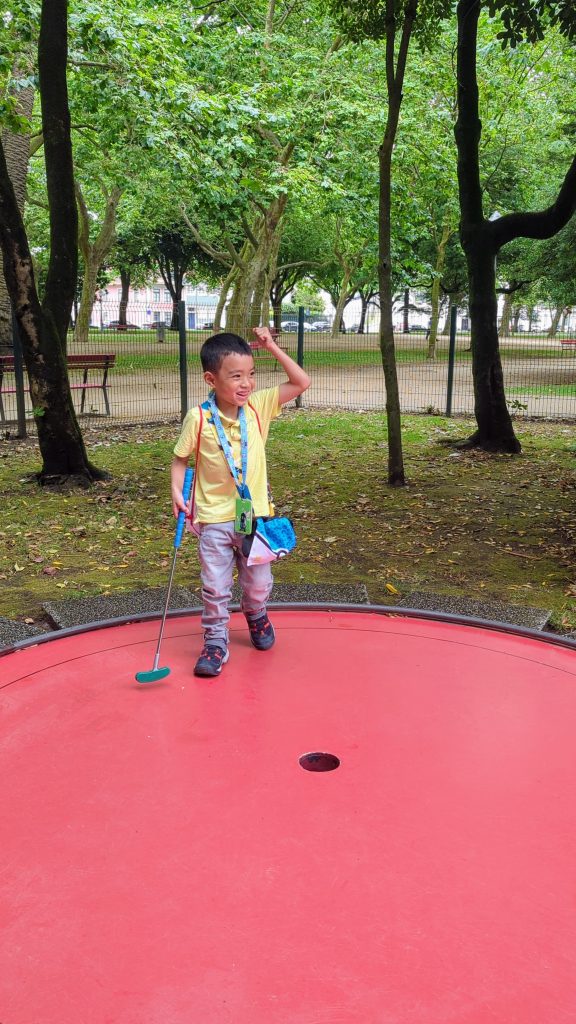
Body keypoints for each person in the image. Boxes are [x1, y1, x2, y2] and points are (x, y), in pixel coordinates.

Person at [171, 326, 310, 677]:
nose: (246, 383)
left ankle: (256, 613)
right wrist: (176, 491)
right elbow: (180, 459)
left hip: (254, 517)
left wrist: (271, 346)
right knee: (215, 585)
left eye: (251, 374)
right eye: (236, 376)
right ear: (210, 379)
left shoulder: (259, 407)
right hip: (214, 518)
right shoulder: (199, 418)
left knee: (258, 582)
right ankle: (216, 642)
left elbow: (300, 382)